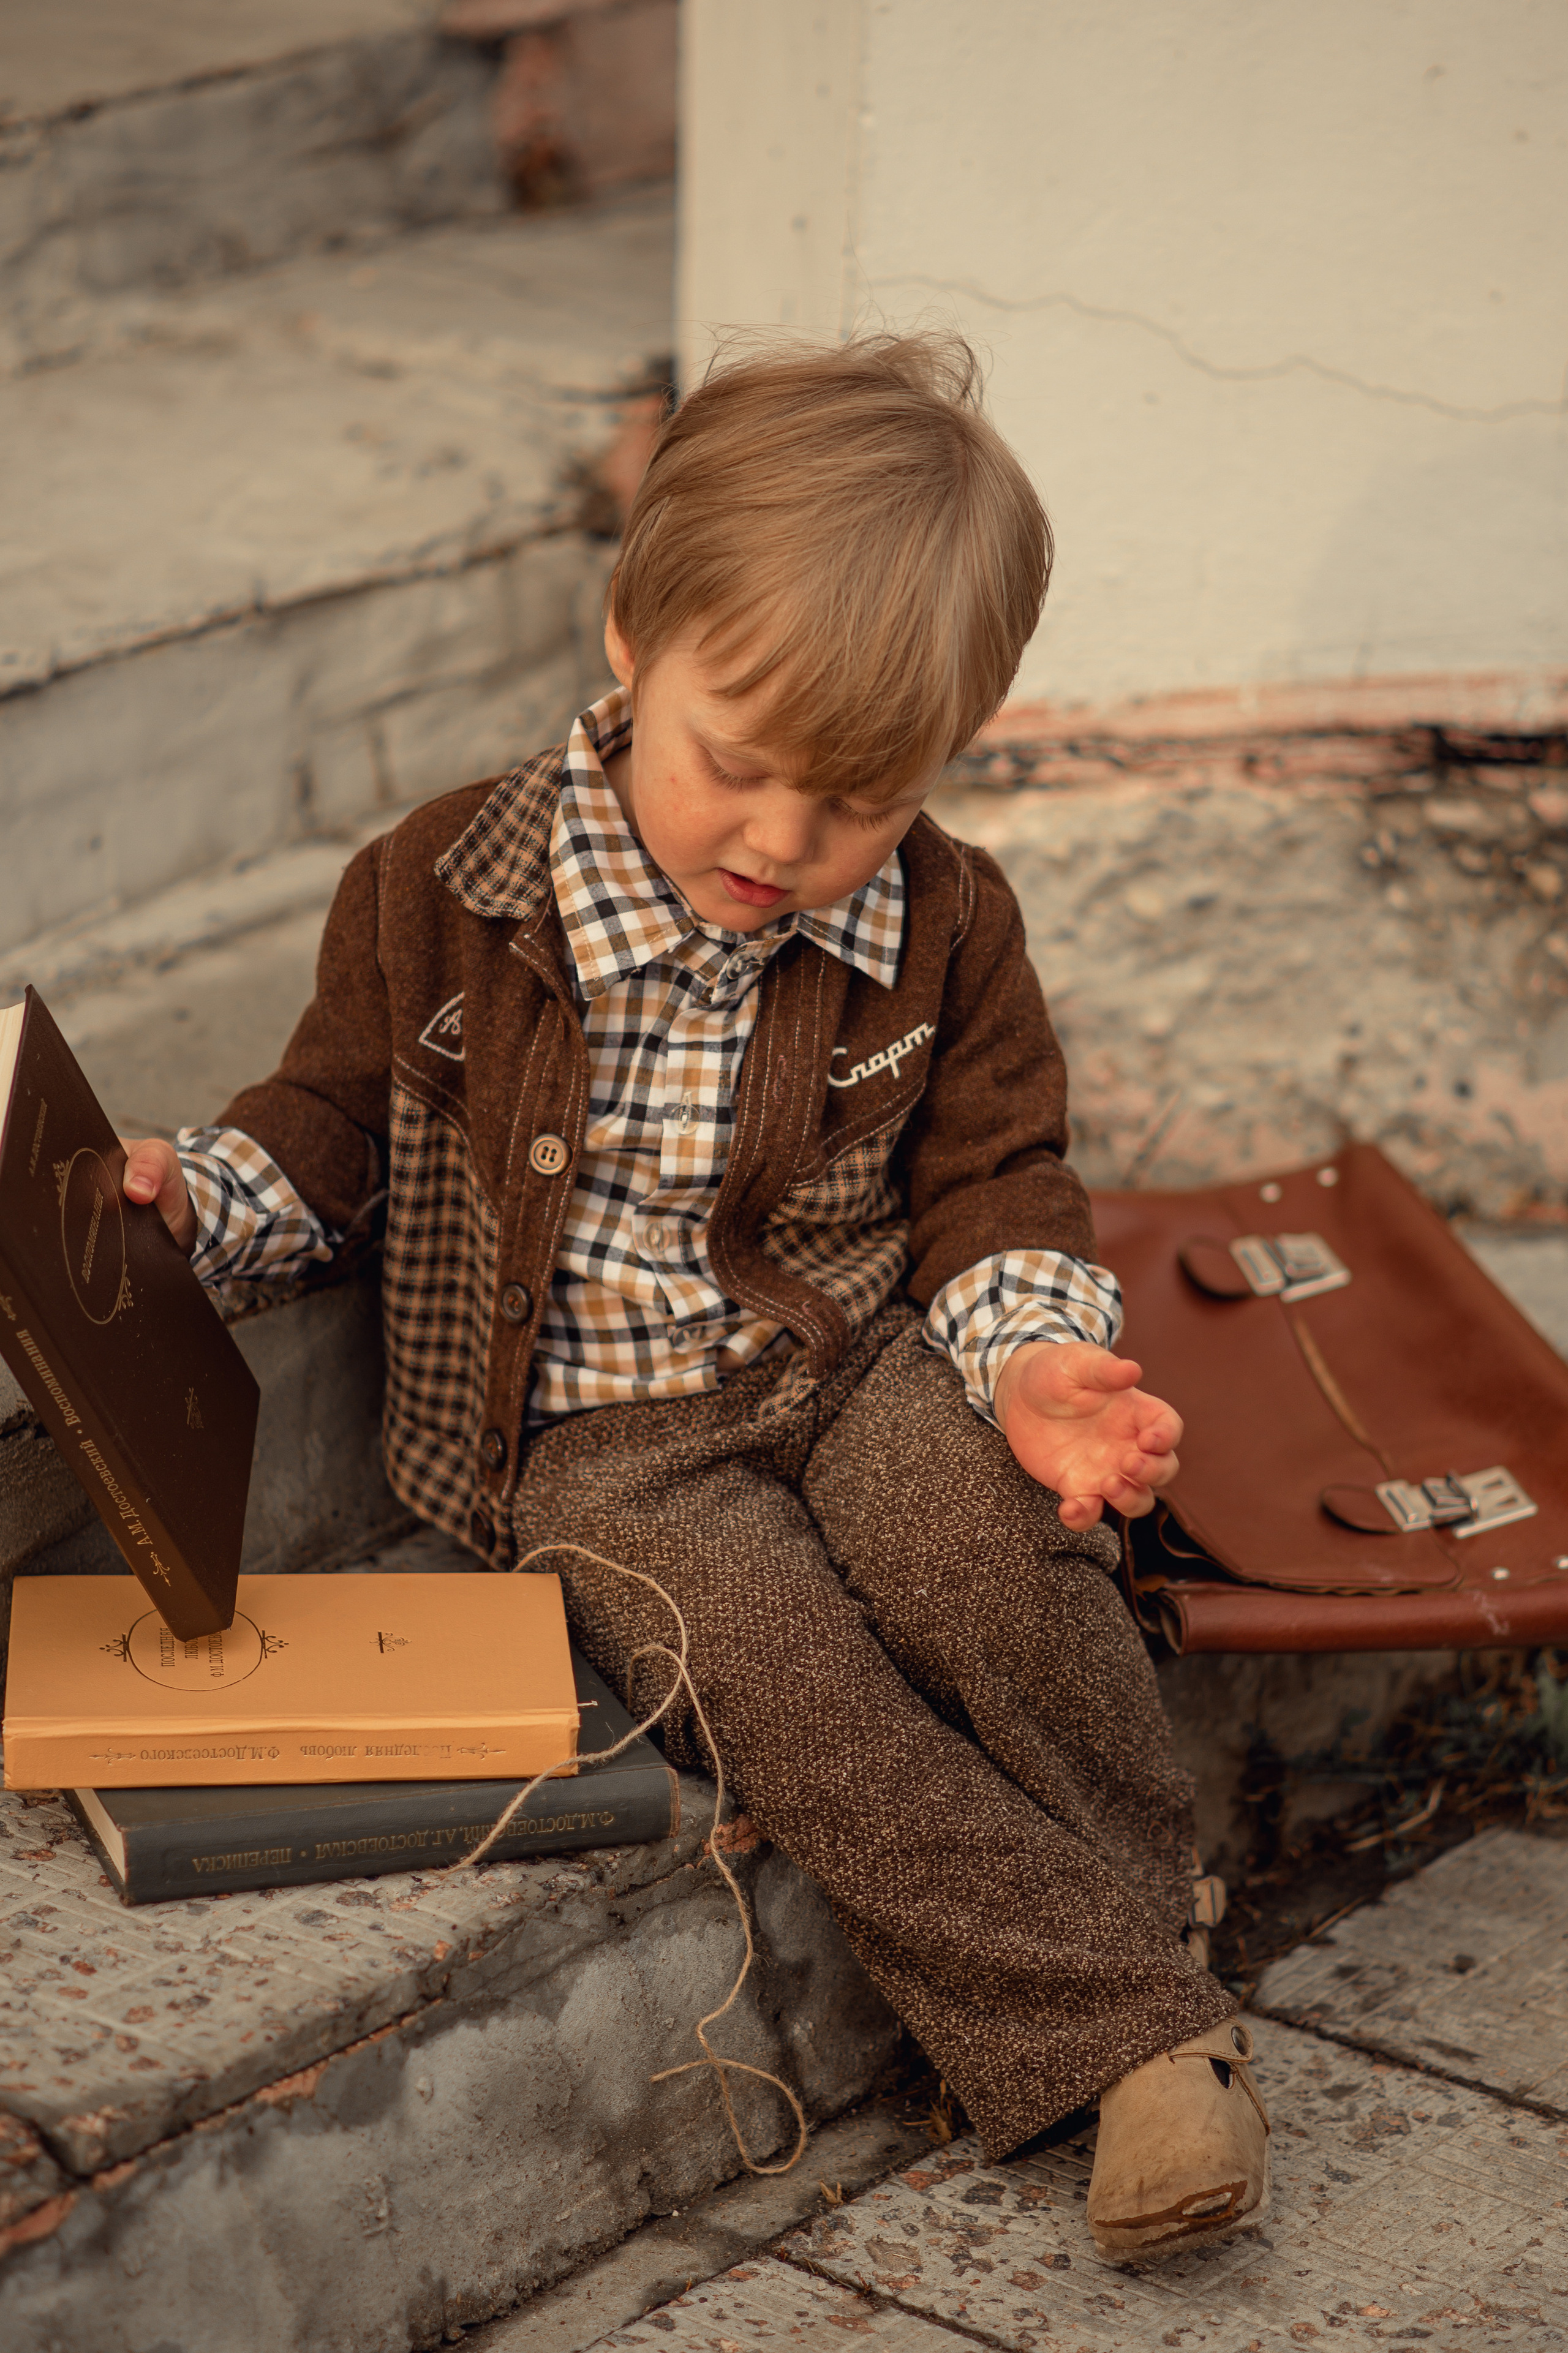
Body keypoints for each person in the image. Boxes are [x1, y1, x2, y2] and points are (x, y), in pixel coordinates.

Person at [120, 333, 1270, 2262]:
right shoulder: (440, 891)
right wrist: (178, 1202)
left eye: (859, 796)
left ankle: (1153, 1914)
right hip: (600, 1451)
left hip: (849, 1359)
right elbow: (317, 1141)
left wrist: (1042, 1361)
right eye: (735, 765)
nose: (780, 842)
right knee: (797, 1685)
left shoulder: (949, 918)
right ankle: (1143, 2035)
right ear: (630, 638)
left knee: (998, 1555)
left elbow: (996, 1182)